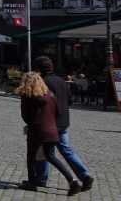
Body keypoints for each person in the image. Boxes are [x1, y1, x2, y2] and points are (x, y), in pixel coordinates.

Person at [16, 71, 83, 195]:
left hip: (36, 129)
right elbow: (58, 111)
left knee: (31, 157)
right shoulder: (50, 94)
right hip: (51, 129)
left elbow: (25, 115)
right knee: (51, 156)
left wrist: (31, 123)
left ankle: (32, 182)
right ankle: (72, 180)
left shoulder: (27, 95)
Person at [32, 56, 93, 191]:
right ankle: (85, 175)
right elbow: (70, 100)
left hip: (49, 122)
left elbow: (42, 102)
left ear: (38, 69)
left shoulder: (43, 82)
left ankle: (40, 179)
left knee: (43, 150)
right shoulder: (61, 80)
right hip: (63, 120)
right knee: (66, 149)